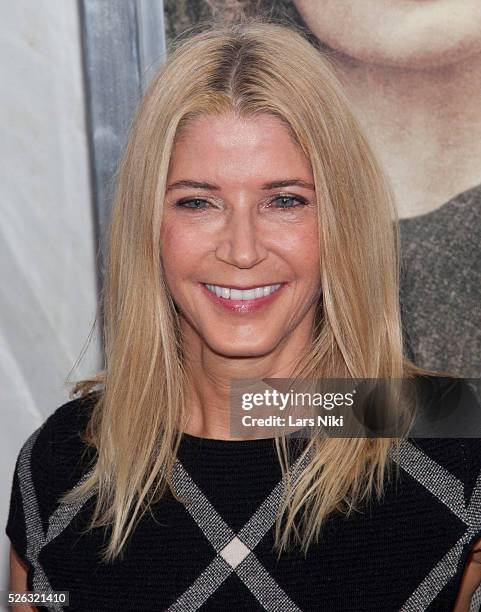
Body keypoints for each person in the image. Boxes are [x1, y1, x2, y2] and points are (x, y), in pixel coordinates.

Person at [6, 18, 481, 612]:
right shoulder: (63, 463)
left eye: (285, 200)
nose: (243, 248)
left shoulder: (452, 435)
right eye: (197, 202)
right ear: (150, 226)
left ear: (341, 222)